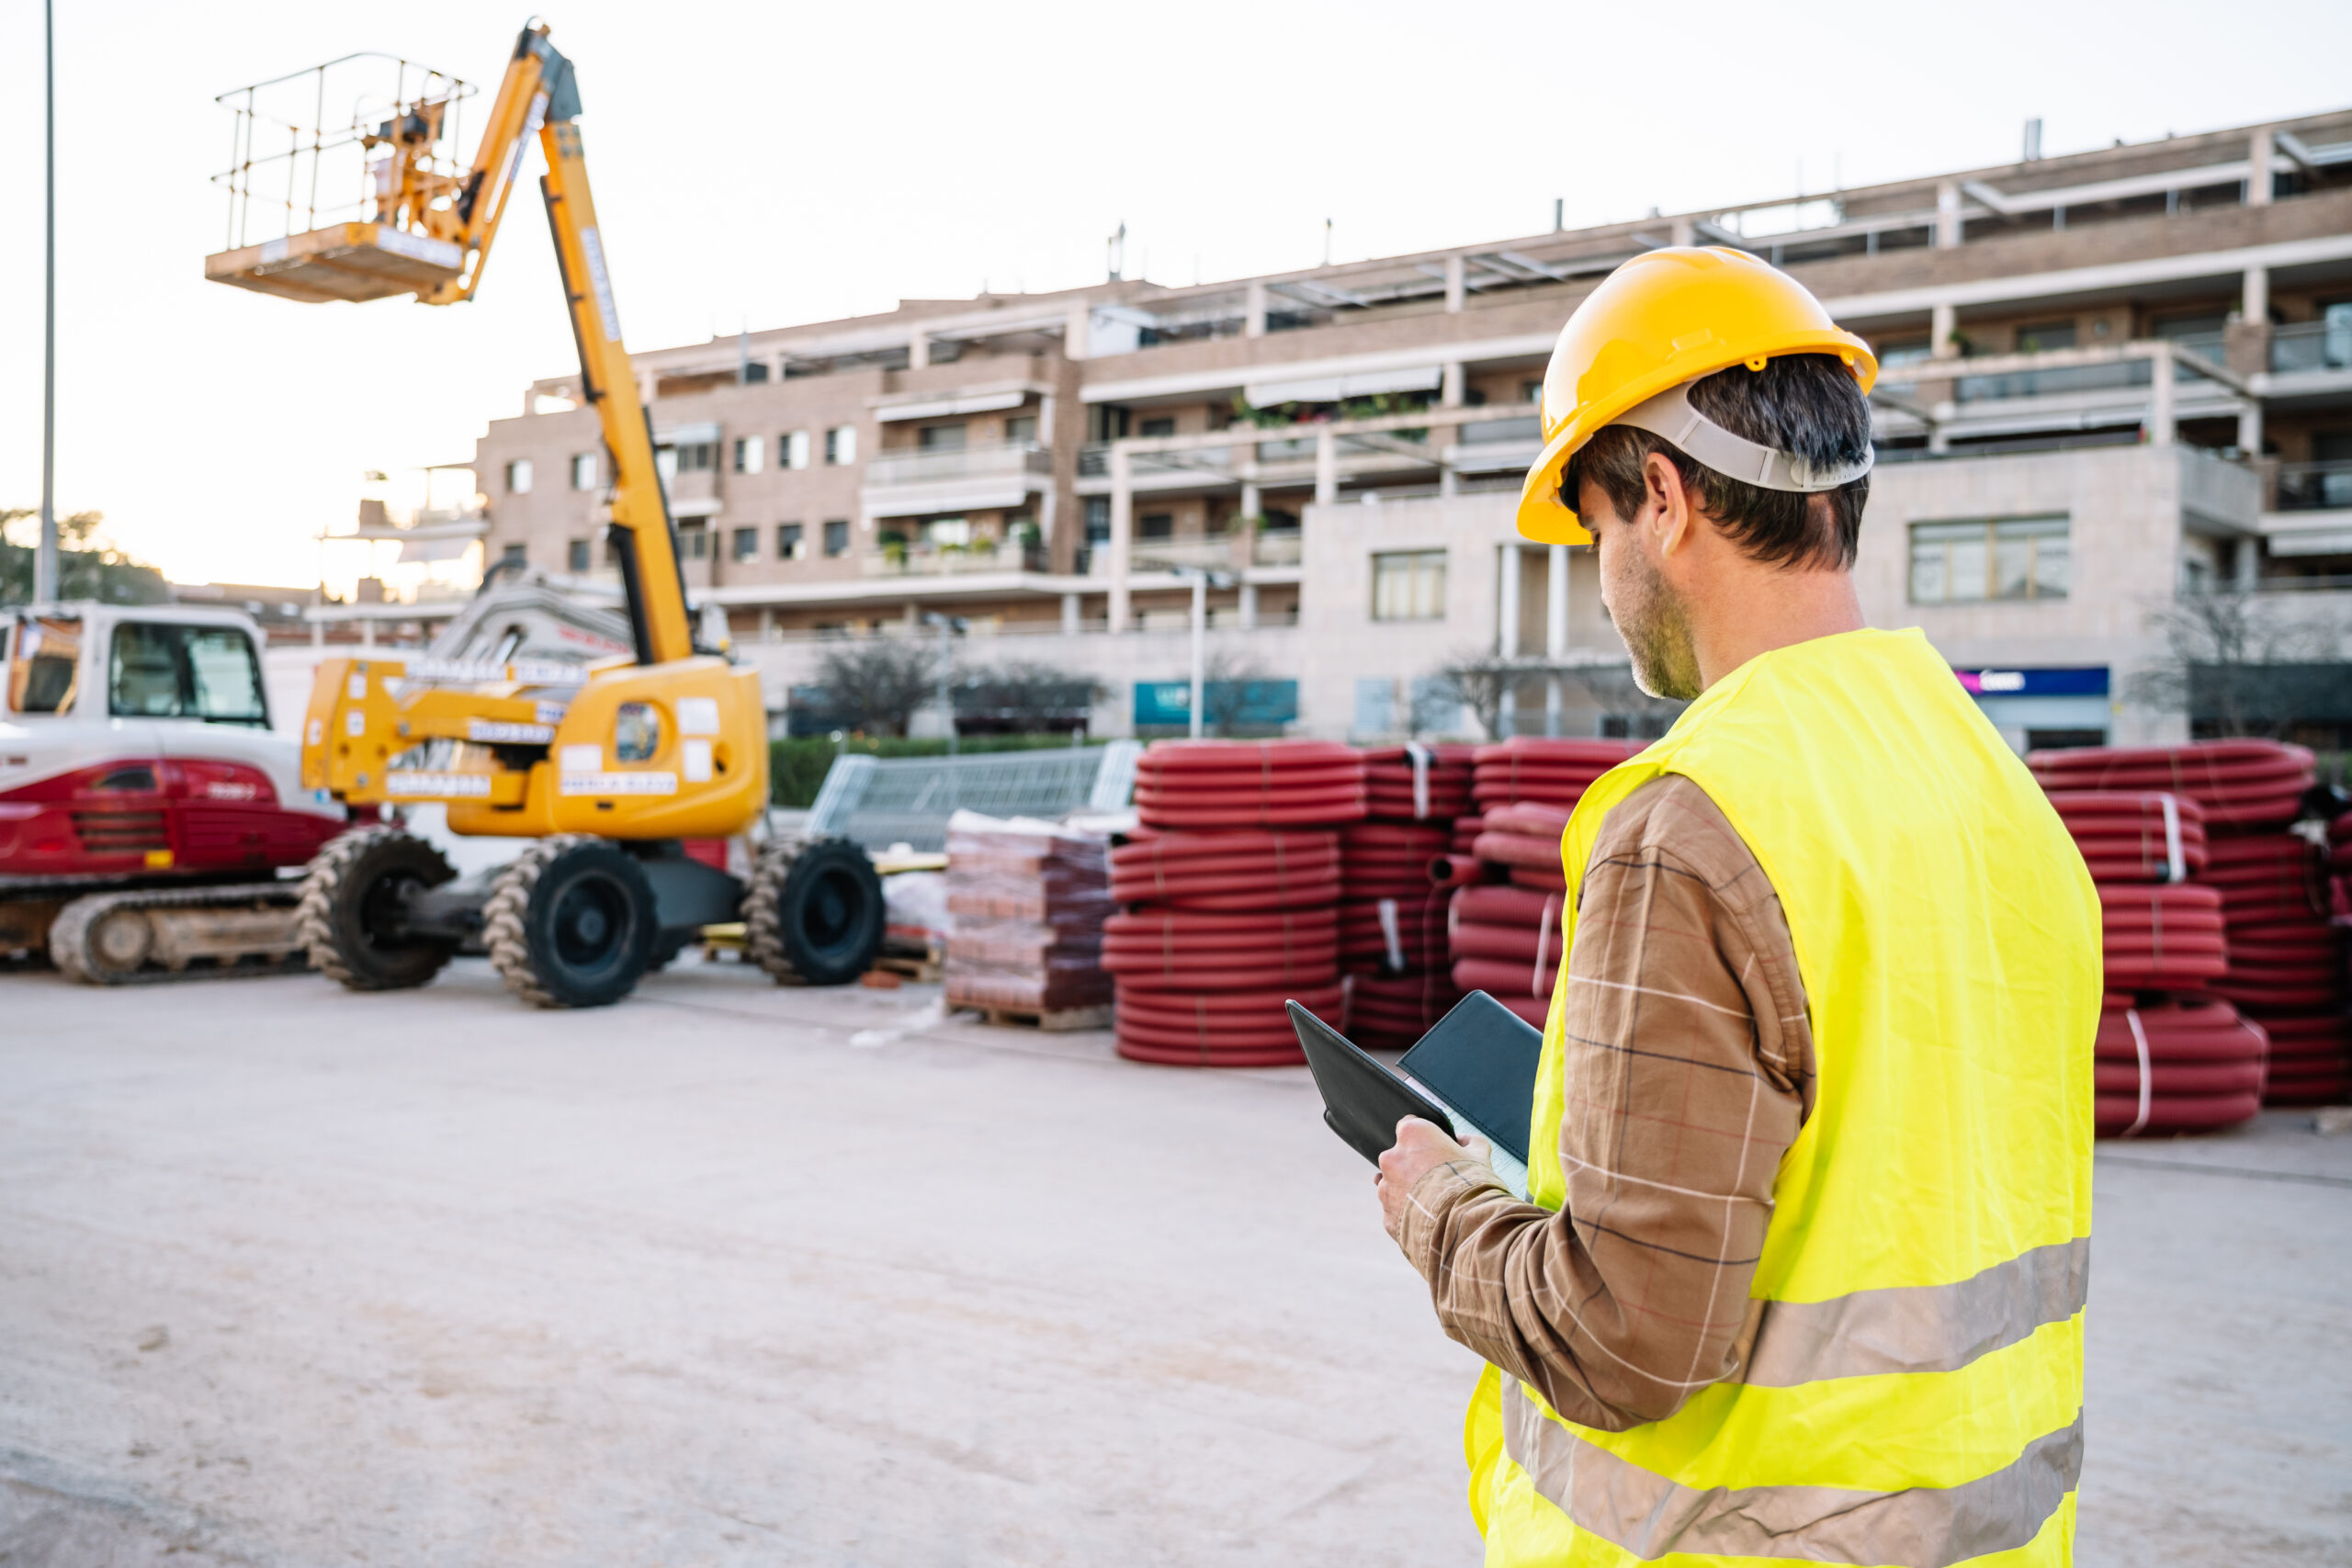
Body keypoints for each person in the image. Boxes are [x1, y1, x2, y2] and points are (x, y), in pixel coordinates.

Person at [1374, 247, 2100, 1568]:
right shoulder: (2001, 793)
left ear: (1661, 496)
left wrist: (1440, 1206)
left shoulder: (1697, 817)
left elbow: (1623, 1336)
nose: (1603, 579)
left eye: (1594, 528)